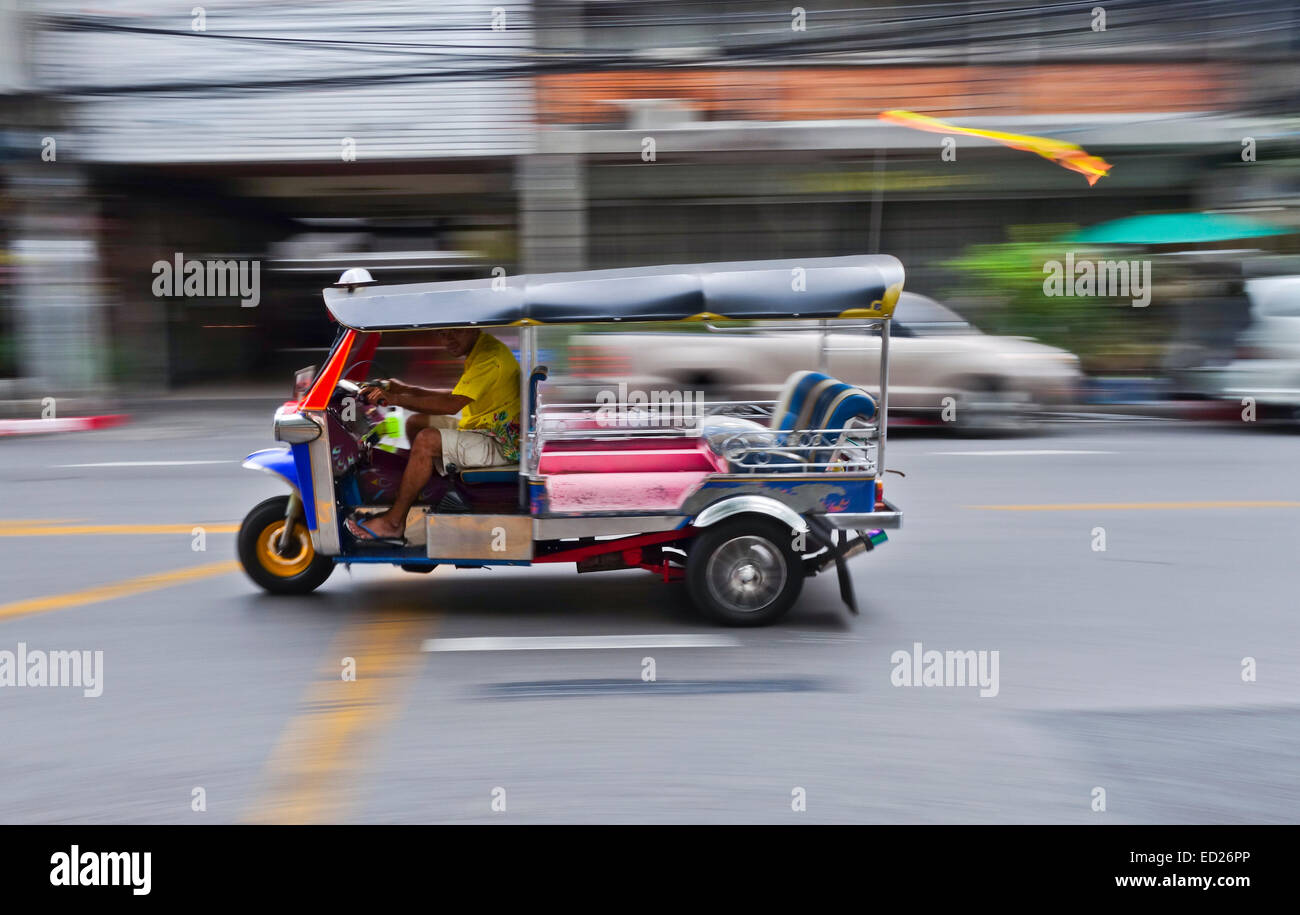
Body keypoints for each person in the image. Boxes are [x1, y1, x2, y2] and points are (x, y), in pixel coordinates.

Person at [344, 328, 520, 543]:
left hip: (500, 441)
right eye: (442, 334)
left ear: (473, 327)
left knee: (426, 441)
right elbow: (456, 396)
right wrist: (406, 389)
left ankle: (394, 523)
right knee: (416, 422)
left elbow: (450, 404)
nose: (448, 340)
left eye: (455, 331)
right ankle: (422, 493)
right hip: (483, 427)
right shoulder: (481, 348)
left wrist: (396, 398)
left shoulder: (488, 357)